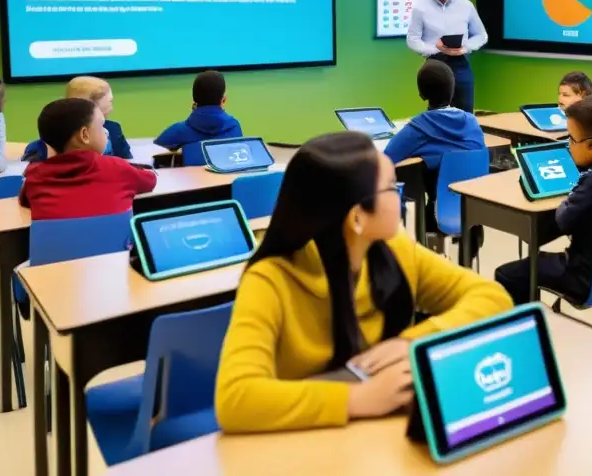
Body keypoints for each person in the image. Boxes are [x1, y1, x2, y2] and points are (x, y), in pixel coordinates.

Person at [214, 132, 512, 433]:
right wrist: (358, 399)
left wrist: (411, 341)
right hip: (301, 440)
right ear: (357, 218)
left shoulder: (394, 250)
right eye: (390, 188)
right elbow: (236, 398)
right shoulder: (269, 280)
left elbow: (493, 297)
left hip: (375, 436)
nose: (400, 196)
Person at [494, 96, 592, 305]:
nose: (568, 146)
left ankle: (527, 327)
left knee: (506, 274)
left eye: (571, 139)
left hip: (585, 278)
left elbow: (562, 220)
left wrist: (572, 191)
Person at [384, 60, 486, 234]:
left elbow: (387, 158)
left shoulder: (419, 128)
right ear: (452, 89)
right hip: (478, 207)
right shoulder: (472, 123)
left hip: (438, 211)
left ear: (421, 93)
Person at [20, 98, 157, 221]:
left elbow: (25, 200)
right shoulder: (118, 168)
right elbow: (150, 180)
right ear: (84, 135)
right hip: (116, 249)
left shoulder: (34, 176)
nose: (106, 132)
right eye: (102, 125)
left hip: (56, 249)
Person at [405, 0, 487, 113]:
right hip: (436, 65)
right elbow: (412, 39)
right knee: (438, 114)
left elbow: (481, 35)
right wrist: (435, 48)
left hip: (461, 64)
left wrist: (465, 48)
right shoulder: (420, 8)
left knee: (465, 114)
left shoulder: (466, 6)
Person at [23, 76, 132, 162]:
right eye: (109, 103)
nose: (111, 108)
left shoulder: (114, 130)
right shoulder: (43, 145)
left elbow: (127, 161)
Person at [154, 70, 242, 151]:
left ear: (194, 101)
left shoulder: (176, 132)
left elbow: (152, 156)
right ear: (223, 100)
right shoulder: (234, 128)